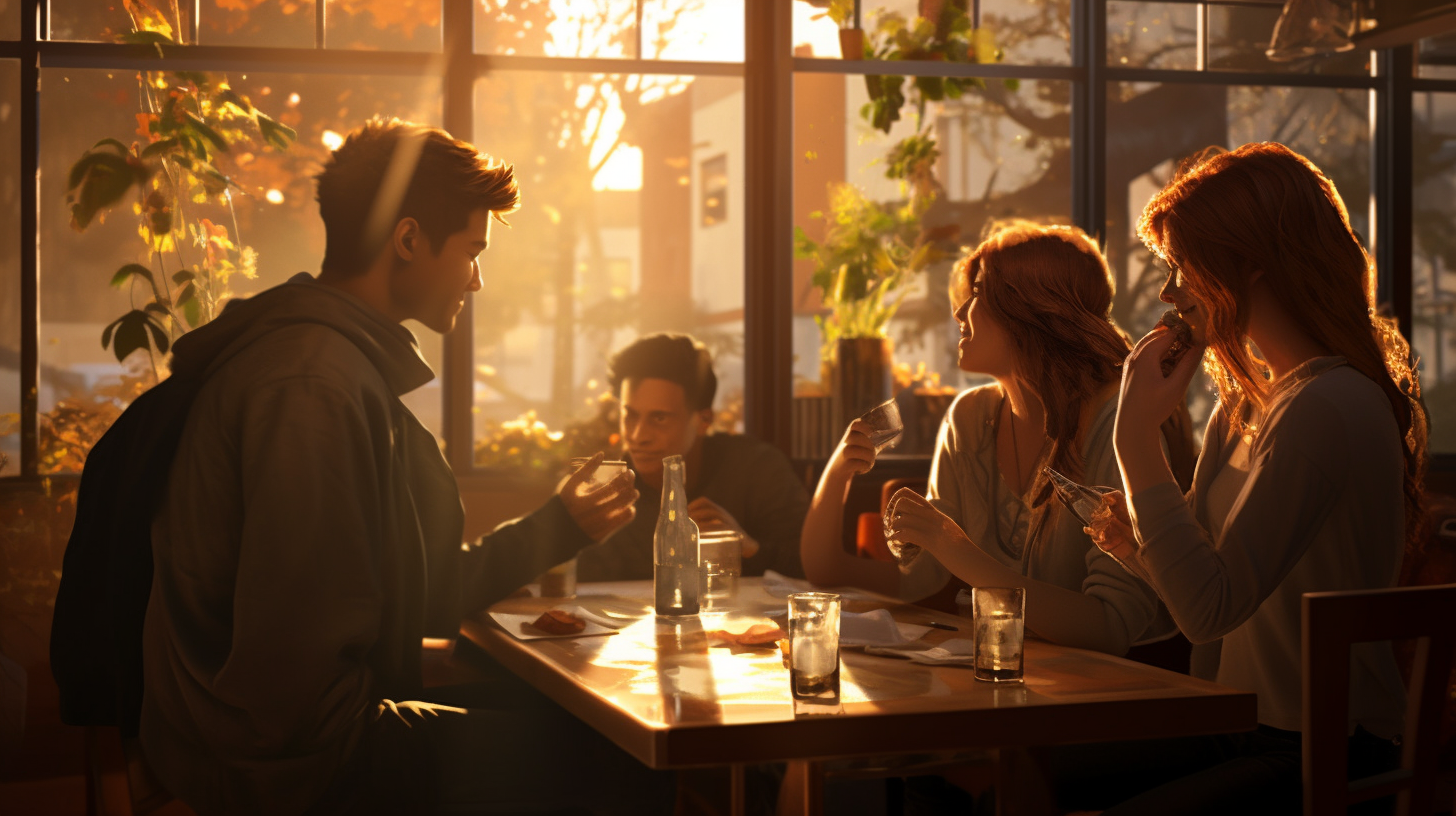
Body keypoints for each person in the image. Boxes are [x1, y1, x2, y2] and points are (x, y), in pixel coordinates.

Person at [140, 119, 670, 816]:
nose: (477, 279)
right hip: (285, 763)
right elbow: (296, 664)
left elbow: (388, 597)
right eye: (472, 252)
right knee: (620, 765)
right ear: (410, 240)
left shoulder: (325, 363)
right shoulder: (314, 387)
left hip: (276, 735)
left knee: (567, 725)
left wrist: (560, 525)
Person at [1055, 142, 1420, 814]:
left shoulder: (1327, 407)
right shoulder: (1250, 404)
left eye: (1181, 269)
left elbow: (1207, 610)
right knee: (1022, 766)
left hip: (1323, 747)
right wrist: (1136, 550)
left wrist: (1135, 437)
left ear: (1249, 264)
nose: (1169, 294)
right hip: (1237, 721)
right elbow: (1199, 587)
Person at [800, 221, 1195, 657]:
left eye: (979, 294)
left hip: (1127, 692)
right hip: (1013, 681)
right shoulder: (969, 418)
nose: (959, 313)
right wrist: (839, 470)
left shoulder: (1115, 422)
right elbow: (837, 572)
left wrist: (953, 545)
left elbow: (1112, 626)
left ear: (1030, 309)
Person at [574, 332, 809, 581]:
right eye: (630, 415)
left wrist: (748, 548)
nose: (638, 435)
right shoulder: (605, 489)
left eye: (659, 418)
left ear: (703, 420)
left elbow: (812, 566)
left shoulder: (758, 469)